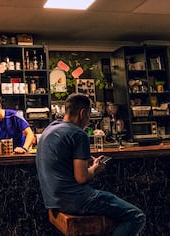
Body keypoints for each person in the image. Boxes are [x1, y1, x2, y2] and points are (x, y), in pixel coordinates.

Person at [36, 94, 146, 236]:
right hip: (75, 200)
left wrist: (85, 159)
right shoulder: (78, 134)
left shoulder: (50, 128)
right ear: (83, 113)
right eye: (88, 115)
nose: (88, 120)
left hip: (53, 201)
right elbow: (82, 177)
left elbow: (63, 157)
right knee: (136, 217)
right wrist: (95, 168)